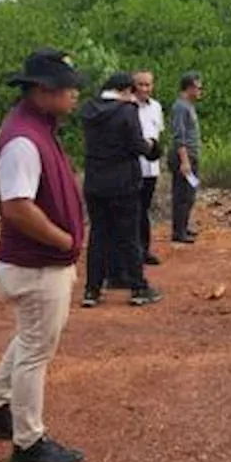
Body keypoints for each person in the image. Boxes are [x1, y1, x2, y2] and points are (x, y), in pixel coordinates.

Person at [0, 47, 86, 462]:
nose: (74, 94)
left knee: (31, 337)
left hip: (38, 263)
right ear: (41, 90)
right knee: (36, 349)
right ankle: (29, 441)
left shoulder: (36, 128)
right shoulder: (23, 139)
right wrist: (62, 240)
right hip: (36, 265)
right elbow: (17, 207)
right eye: (67, 88)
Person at [79, 72, 165, 308]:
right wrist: (155, 147)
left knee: (98, 235)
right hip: (123, 182)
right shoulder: (127, 111)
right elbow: (139, 146)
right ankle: (138, 286)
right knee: (129, 236)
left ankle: (92, 290)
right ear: (125, 90)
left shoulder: (89, 110)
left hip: (95, 182)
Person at [133, 70, 164, 266]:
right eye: (140, 84)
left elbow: (158, 134)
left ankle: (144, 250)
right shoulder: (127, 107)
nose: (144, 88)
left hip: (151, 168)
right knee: (132, 211)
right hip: (133, 168)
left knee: (144, 210)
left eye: (148, 84)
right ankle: (132, 252)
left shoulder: (156, 107)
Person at [170, 71, 203, 244]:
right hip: (185, 156)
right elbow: (179, 136)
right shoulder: (180, 107)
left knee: (189, 193)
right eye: (198, 87)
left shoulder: (187, 106)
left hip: (191, 155)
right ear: (189, 87)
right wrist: (184, 161)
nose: (200, 91)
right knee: (182, 194)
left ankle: (183, 226)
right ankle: (178, 231)